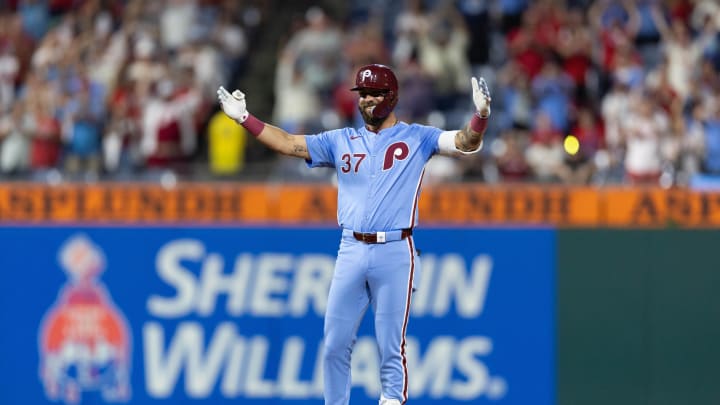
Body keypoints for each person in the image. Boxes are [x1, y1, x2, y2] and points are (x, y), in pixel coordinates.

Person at [217, 63, 491, 405]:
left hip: (395, 248)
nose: (367, 100)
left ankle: (392, 400)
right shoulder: (341, 140)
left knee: (391, 345)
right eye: (362, 93)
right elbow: (287, 143)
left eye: (375, 93)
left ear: (391, 96)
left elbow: (464, 142)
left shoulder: (418, 136)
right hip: (352, 246)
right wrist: (245, 119)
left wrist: (480, 116)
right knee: (334, 345)